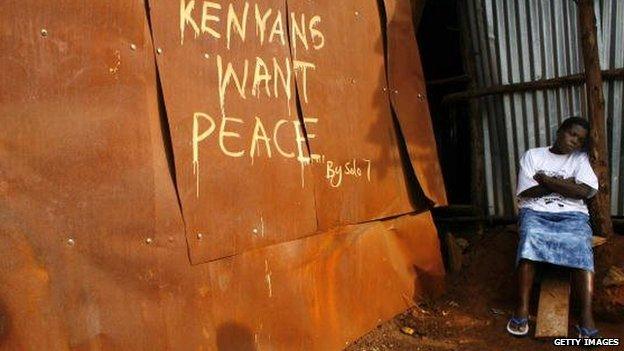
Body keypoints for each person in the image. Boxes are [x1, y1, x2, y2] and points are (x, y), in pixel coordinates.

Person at [506, 116, 599, 338]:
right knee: (529, 238)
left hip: (573, 214)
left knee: (581, 244)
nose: (574, 142)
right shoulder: (533, 155)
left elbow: (585, 192)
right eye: (572, 134)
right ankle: (522, 310)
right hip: (536, 212)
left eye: (580, 140)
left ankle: (586, 316)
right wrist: (567, 185)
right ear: (559, 131)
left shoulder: (580, 159)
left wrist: (545, 179)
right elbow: (526, 192)